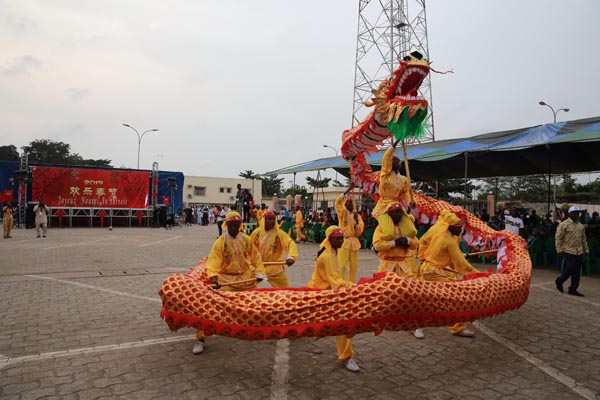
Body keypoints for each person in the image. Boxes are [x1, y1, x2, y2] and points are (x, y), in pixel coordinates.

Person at [192, 211, 266, 354]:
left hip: (245, 279)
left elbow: (256, 258)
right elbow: (213, 260)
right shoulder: (220, 241)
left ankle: (256, 329)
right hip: (226, 280)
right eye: (231, 225)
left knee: (256, 303)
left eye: (236, 225)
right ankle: (201, 339)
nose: (233, 228)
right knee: (211, 307)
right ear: (226, 225)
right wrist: (213, 278)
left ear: (240, 225)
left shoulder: (246, 239)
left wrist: (259, 273)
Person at [418, 210, 480, 337]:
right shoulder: (446, 237)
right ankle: (455, 326)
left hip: (433, 268)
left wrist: (456, 254)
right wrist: (477, 274)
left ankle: (456, 326)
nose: (461, 230)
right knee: (454, 297)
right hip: (434, 270)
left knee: (426, 299)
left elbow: (450, 254)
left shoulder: (443, 232)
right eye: (458, 228)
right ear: (450, 225)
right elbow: (462, 264)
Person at [307, 226, 359, 372]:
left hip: (324, 292)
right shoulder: (328, 256)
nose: (341, 241)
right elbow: (336, 282)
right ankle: (347, 357)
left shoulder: (333, 251)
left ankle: (347, 355)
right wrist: (353, 286)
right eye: (337, 238)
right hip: (320, 295)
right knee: (342, 323)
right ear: (330, 239)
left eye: (342, 238)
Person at [372, 202, 421, 336]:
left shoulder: (407, 227)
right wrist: (394, 243)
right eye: (395, 212)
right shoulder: (381, 227)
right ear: (389, 214)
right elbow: (377, 245)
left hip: (403, 265)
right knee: (382, 293)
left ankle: (414, 325)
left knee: (410, 293)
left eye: (400, 212)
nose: (398, 214)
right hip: (387, 264)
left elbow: (416, 243)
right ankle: (379, 320)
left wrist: (408, 241)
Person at [372, 144, 414, 241]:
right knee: (388, 234)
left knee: (411, 231)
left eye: (398, 160)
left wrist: (411, 202)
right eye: (394, 160)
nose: (397, 161)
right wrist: (393, 146)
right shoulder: (385, 174)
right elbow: (386, 157)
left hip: (396, 204)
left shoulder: (404, 179)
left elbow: (407, 193)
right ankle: (377, 243)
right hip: (384, 205)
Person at [250, 211, 298, 287]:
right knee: (247, 286)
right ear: (263, 220)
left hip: (274, 268)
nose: (271, 221)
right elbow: (248, 247)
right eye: (269, 219)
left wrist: (291, 257)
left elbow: (290, 243)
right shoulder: (256, 233)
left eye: (273, 219)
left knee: (285, 290)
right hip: (258, 267)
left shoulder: (279, 233)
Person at [555, 206, 590, 297]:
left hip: (579, 251)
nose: (576, 214)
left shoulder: (580, 226)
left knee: (577, 271)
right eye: (574, 212)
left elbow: (584, 240)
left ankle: (573, 289)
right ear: (569, 213)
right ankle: (560, 280)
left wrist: (586, 251)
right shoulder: (563, 224)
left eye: (577, 213)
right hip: (568, 250)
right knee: (570, 268)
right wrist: (559, 250)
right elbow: (558, 238)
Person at [335, 184, 364, 282]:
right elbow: (337, 203)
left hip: (355, 243)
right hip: (344, 242)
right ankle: (340, 283)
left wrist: (356, 223)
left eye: (351, 203)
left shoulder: (357, 216)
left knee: (353, 266)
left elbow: (359, 232)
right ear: (345, 205)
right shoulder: (342, 213)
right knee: (342, 265)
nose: (350, 205)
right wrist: (349, 189)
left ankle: (351, 284)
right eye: (348, 203)